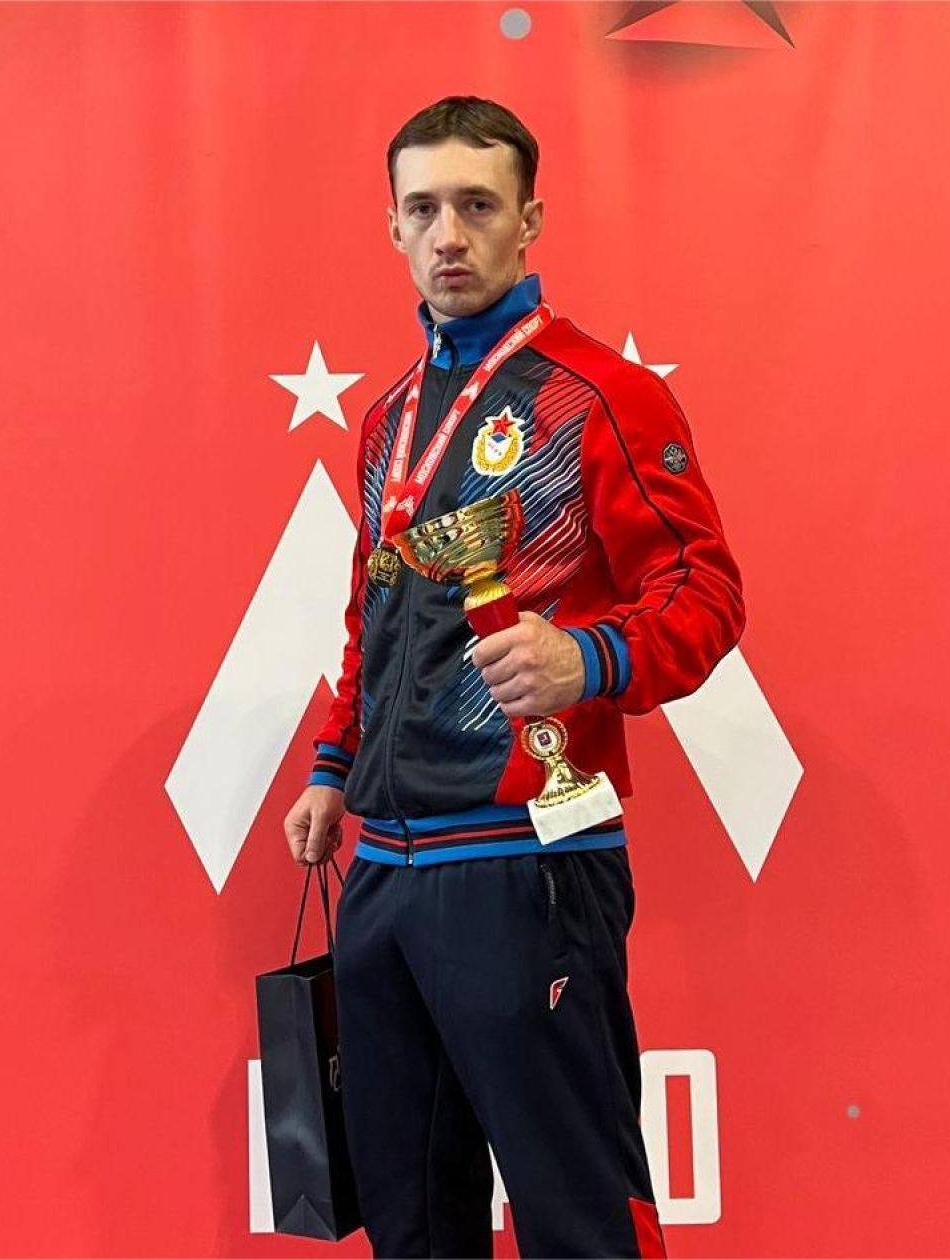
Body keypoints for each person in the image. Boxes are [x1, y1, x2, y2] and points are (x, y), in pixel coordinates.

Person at [282, 95, 745, 1259]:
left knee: (577, 1218)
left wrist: (586, 656)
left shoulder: (601, 395)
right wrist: (335, 766)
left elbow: (707, 594)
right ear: (392, 226)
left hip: (524, 864)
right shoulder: (386, 420)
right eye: (423, 209)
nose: (449, 234)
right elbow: (375, 620)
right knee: (412, 1226)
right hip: (382, 870)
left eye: (478, 206)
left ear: (529, 220)